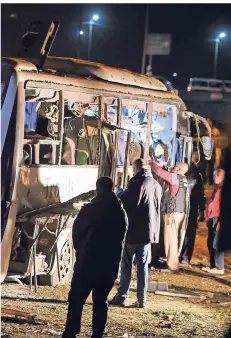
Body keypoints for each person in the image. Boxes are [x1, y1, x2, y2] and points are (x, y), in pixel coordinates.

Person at [63, 177, 128, 338]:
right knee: (100, 301)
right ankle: (98, 333)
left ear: (98, 189)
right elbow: (122, 236)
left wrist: (81, 252)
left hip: (88, 263)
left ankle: (71, 331)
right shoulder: (120, 211)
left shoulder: (89, 210)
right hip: (109, 266)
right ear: (112, 189)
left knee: (76, 300)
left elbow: (77, 234)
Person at [109, 158, 162, 308]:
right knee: (142, 266)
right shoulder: (156, 184)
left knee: (126, 264)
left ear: (136, 167)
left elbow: (124, 203)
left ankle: (122, 295)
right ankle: (141, 299)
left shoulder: (137, 183)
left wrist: (119, 193)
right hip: (147, 232)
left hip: (133, 230)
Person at [149, 160, 189, 272]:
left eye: (176, 166)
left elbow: (158, 172)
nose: (173, 167)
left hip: (172, 213)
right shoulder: (184, 180)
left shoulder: (175, 178)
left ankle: (172, 265)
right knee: (174, 238)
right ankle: (172, 263)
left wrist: (151, 162)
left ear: (179, 169)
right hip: (180, 212)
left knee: (170, 239)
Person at [179, 152, 206, 265]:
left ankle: (182, 255)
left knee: (184, 231)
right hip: (192, 207)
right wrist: (201, 210)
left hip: (184, 206)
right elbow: (201, 194)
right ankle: (185, 257)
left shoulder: (186, 173)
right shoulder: (197, 175)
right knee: (189, 233)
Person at [202, 168, 225, 275]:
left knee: (216, 243)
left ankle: (219, 267)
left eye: (217, 175)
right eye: (214, 175)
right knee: (210, 242)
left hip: (218, 218)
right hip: (212, 218)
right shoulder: (217, 187)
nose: (214, 177)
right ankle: (213, 265)